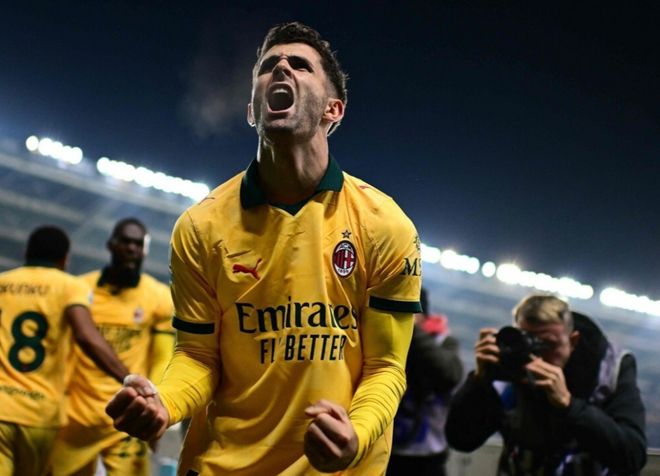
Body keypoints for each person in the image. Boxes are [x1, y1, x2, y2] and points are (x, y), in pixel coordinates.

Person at [106, 21, 422, 475]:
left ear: (333, 109)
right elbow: (197, 356)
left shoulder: (384, 224)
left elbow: (386, 366)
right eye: (269, 65)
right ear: (252, 111)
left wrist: (357, 433)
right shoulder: (200, 226)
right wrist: (165, 404)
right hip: (223, 465)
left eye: (300, 65)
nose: (282, 69)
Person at [445, 293, 647, 475]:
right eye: (529, 342)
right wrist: (479, 381)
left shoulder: (610, 367)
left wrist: (570, 405)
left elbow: (632, 456)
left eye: (549, 344)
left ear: (573, 341)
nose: (538, 356)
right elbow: (461, 440)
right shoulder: (508, 367)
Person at [0, 225, 128, 476]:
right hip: (40, 414)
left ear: (27, 252)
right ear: (65, 258)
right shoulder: (70, 287)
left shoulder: (3, 282)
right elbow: (86, 336)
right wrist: (127, 377)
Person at [50, 218, 174, 476]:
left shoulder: (159, 296)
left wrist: (156, 402)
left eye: (138, 244)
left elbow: (162, 358)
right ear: (111, 244)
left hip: (128, 416)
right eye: (125, 241)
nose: (131, 248)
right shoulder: (79, 289)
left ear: (144, 251)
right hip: (76, 417)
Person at [388, 288, 463, 476]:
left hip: (427, 457)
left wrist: (409, 328)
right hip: (386, 450)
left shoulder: (443, 341)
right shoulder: (387, 340)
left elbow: (448, 375)